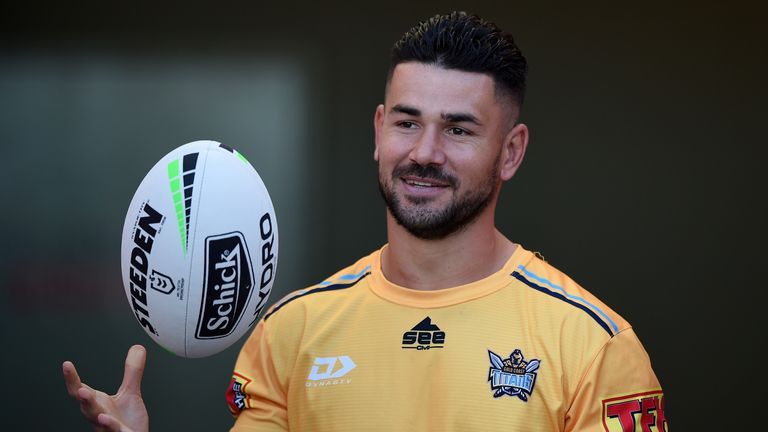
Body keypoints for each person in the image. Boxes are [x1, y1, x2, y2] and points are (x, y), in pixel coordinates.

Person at [64, 12, 667, 432]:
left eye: (458, 129)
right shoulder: (292, 334)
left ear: (511, 151)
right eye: (408, 122)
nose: (425, 151)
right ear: (379, 131)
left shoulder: (593, 347)